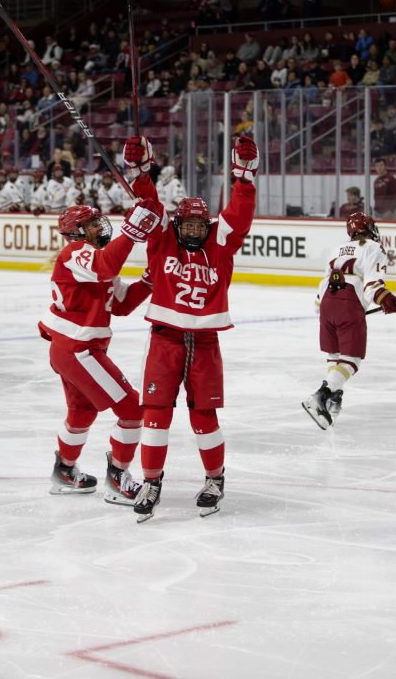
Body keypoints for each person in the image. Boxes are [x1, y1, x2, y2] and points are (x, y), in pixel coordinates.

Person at [121, 133, 259, 522]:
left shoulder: (222, 244)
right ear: (178, 224)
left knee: (204, 418)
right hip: (164, 340)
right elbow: (148, 205)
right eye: (189, 225)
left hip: (205, 342)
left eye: (202, 225)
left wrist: (244, 179)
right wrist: (141, 173)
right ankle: (151, 481)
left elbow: (239, 213)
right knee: (155, 415)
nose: (196, 231)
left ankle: (215, 479)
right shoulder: (161, 239)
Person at [39, 203, 158, 499]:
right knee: (132, 409)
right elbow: (107, 266)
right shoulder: (77, 251)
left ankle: (64, 471)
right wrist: (131, 233)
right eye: (91, 223)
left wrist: (149, 279)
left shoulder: (90, 257)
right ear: (75, 231)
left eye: (97, 221)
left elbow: (121, 304)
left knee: (81, 411)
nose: (98, 226)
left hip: (70, 348)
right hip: (79, 349)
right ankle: (118, 478)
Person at [302, 212, 396, 430]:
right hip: (349, 300)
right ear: (369, 229)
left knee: (335, 355)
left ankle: (334, 397)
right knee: (352, 359)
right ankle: (321, 395)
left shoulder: (337, 248)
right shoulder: (374, 247)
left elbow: (325, 280)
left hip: (327, 300)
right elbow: (371, 284)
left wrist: (324, 306)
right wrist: (384, 298)